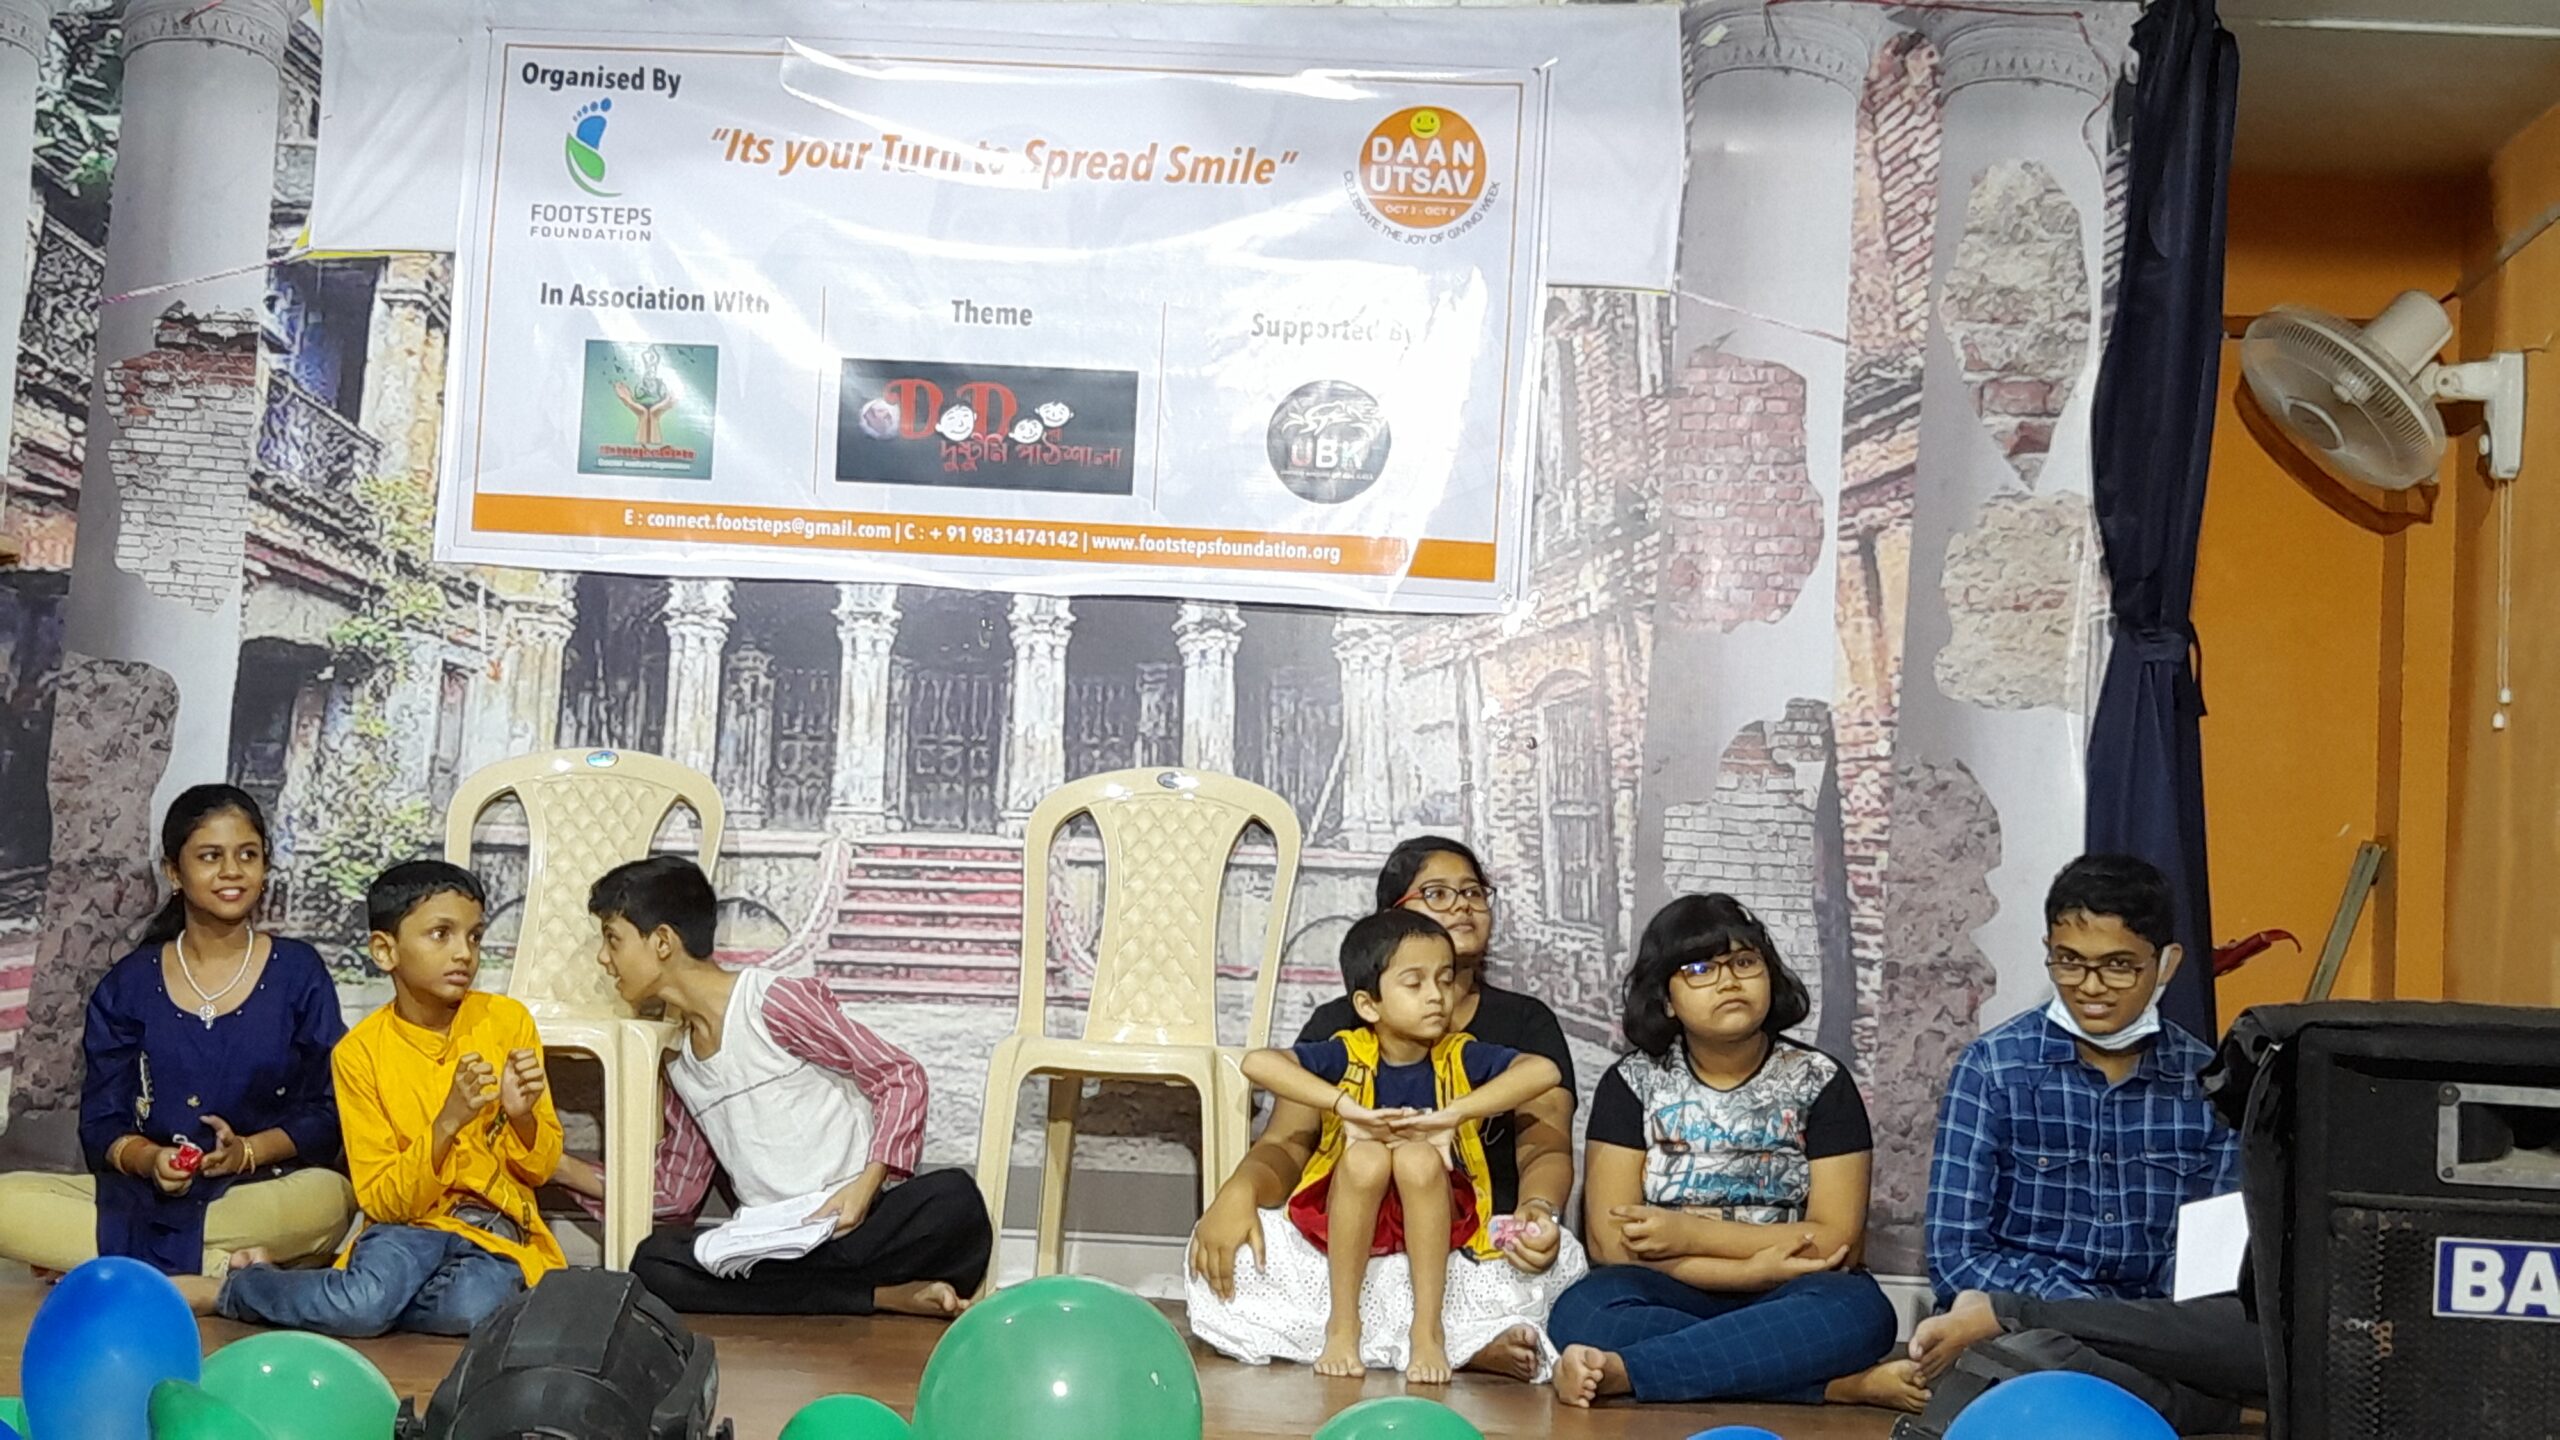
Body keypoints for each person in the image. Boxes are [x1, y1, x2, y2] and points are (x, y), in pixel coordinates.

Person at [1188, 836, 1587, 1381]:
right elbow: (1285, 1139)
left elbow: (1546, 1137)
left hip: (1467, 1243)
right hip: (1352, 1235)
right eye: (1438, 893)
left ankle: (1443, 1336)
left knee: (1538, 1254)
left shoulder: (1510, 1029)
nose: (1463, 906)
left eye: (1473, 892)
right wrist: (1239, 1190)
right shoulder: (1343, 1033)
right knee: (1339, 1183)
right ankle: (1440, 1340)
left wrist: (1536, 1209)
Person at [552, 855, 991, 1317]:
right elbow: (675, 1194)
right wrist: (558, 1168)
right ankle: (882, 1296)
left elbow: (899, 1076)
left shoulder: (772, 1002)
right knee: (654, 1262)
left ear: (662, 941)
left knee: (955, 1201)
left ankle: (833, 1291)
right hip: (773, 1243)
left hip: (857, 1223)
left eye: (613, 940)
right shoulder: (677, 1059)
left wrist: (862, 1192)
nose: (604, 959)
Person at [1548, 893, 1907, 1411]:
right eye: (1699, 969)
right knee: (1581, 1313)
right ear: (1666, 999)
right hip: (1669, 1284)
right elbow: (1610, 1244)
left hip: (1792, 1288)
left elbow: (1835, 1241)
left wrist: (1692, 1234)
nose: (1729, 981)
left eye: (1744, 962)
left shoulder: (1821, 1080)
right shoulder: (1632, 1082)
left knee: (1860, 1313)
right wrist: (1748, 1270)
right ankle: (1829, 1386)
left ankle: (1628, 1372)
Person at [176, 861, 564, 1336]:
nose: (464, 953)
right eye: (441, 934)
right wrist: (448, 1122)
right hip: (407, 1228)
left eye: (475, 937)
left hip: (492, 1231)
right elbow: (382, 1200)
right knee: (366, 1303)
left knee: (472, 1308)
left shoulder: (507, 1022)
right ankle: (232, 1290)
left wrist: (523, 1120)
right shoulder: (359, 1054)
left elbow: (540, 1168)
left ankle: (333, 1295)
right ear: (385, 950)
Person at [0, 785, 354, 1278]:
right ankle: (224, 1270)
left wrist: (246, 1152)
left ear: (265, 866)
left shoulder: (298, 971)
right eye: (210, 856)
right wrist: (152, 1161)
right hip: (144, 1196)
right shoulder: (130, 984)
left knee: (330, 1201)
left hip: (257, 1189)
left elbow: (326, 1111)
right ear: (173, 871)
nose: (232, 871)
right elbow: (103, 1124)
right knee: (5, 1203)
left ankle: (123, 1264)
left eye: (247, 855)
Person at [1925, 854, 2238, 1304]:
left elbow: (2208, 1268)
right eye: (2069, 961)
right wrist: (2075, 1313)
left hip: (2151, 1328)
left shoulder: (2211, 1083)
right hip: (2019, 1317)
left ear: (2167, 964)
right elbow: (1954, 1257)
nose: (2090, 987)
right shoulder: (1992, 1069)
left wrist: (2132, 1325)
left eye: (2119, 966)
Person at [1907, 1290, 2263, 1434]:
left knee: (2026, 1358)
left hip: (2155, 1327)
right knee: (2032, 1355)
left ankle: (2009, 1315)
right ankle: (2236, 1413)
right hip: (2054, 1335)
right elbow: (1961, 1256)